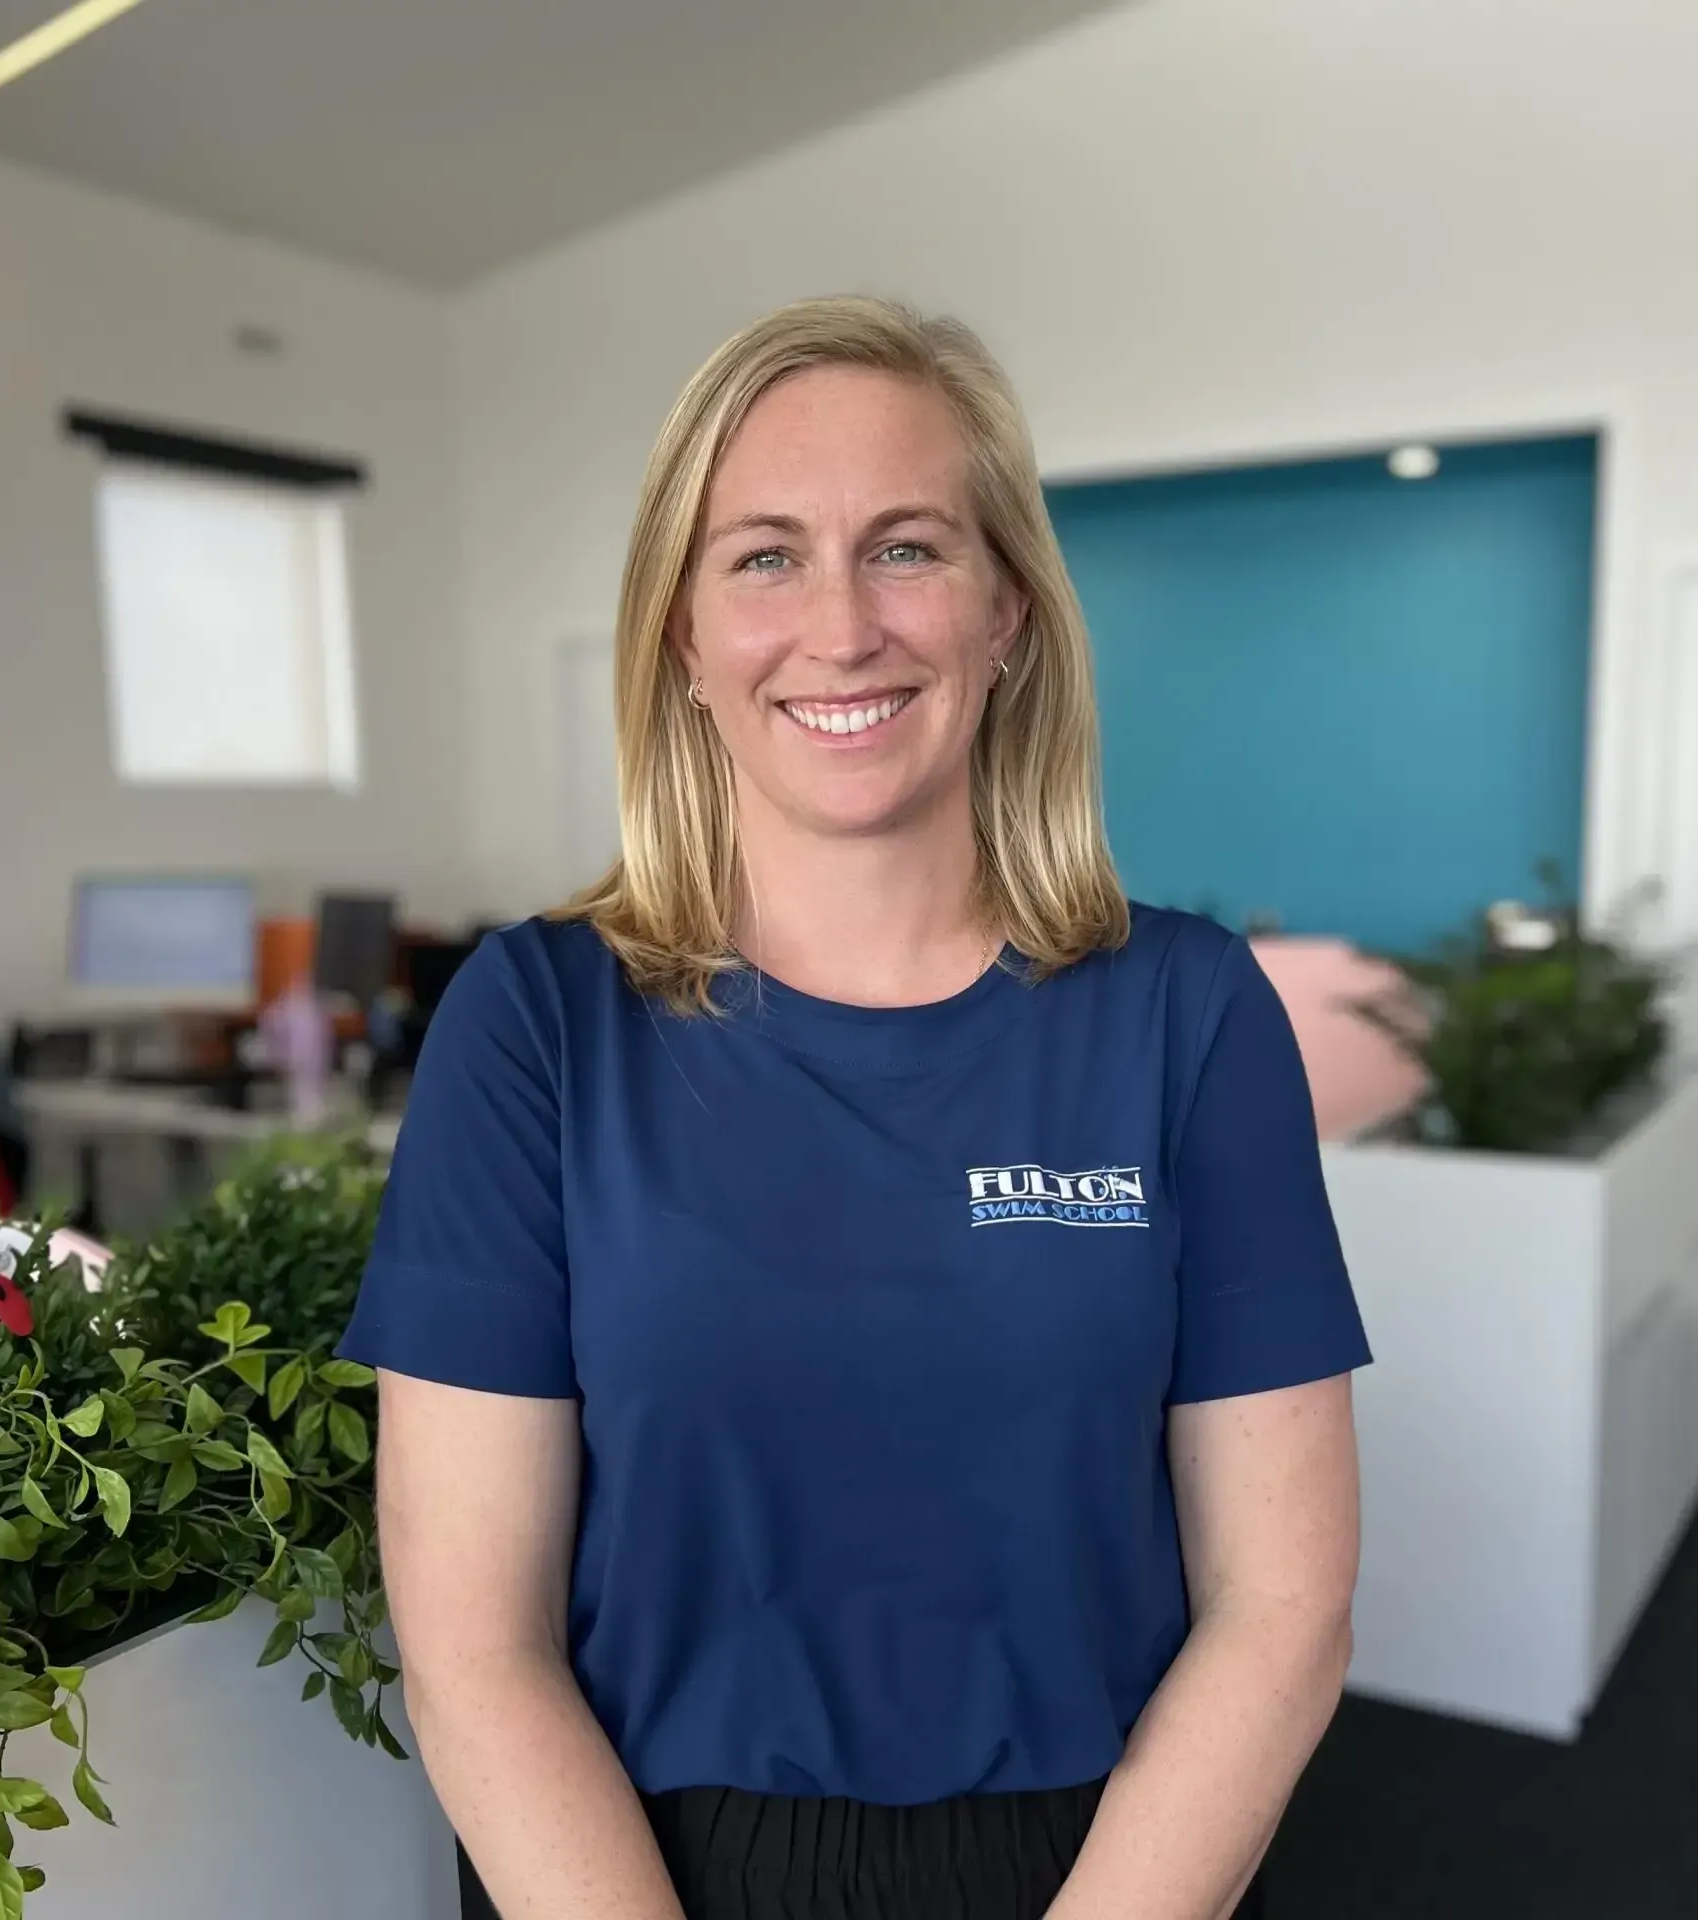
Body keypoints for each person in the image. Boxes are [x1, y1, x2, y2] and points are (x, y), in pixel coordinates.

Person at [338, 295, 1370, 1920]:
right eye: (762, 557)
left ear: (1008, 613)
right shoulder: (535, 1023)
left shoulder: (1187, 1014)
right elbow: (475, 1645)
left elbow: (1284, 1602)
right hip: (628, 1868)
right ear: (680, 636)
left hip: (1107, 1867)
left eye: (907, 548)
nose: (841, 627)